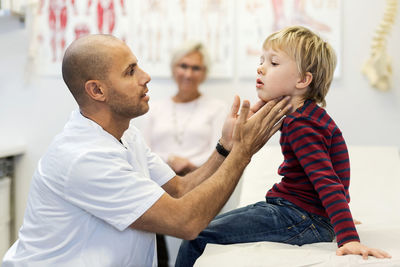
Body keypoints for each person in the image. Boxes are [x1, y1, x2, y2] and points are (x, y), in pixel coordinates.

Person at [2, 34, 292, 267]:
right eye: (130, 71)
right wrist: (243, 152)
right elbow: (185, 221)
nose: (146, 76)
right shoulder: (83, 157)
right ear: (97, 91)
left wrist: (226, 147)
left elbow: (179, 189)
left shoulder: (127, 134)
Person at [175, 26, 392, 266]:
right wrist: (335, 215)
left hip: (300, 216)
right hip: (300, 212)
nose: (261, 67)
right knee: (204, 226)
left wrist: (347, 235)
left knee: (195, 236)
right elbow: (334, 173)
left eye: (274, 63)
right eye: (261, 61)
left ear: (302, 79)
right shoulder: (307, 116)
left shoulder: (301, 125)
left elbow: (326, 179)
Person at [140, 41, 228, 266]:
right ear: (173, 69)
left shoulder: (217, 108)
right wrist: (170, 160)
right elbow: (143, 151)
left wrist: (189, 163)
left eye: (195, 68)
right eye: (183, 66)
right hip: (158, 185)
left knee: (200, 244)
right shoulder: (154, 107)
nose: (188, 73)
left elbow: (220, 149)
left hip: (201, 184)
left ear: (204, 73)